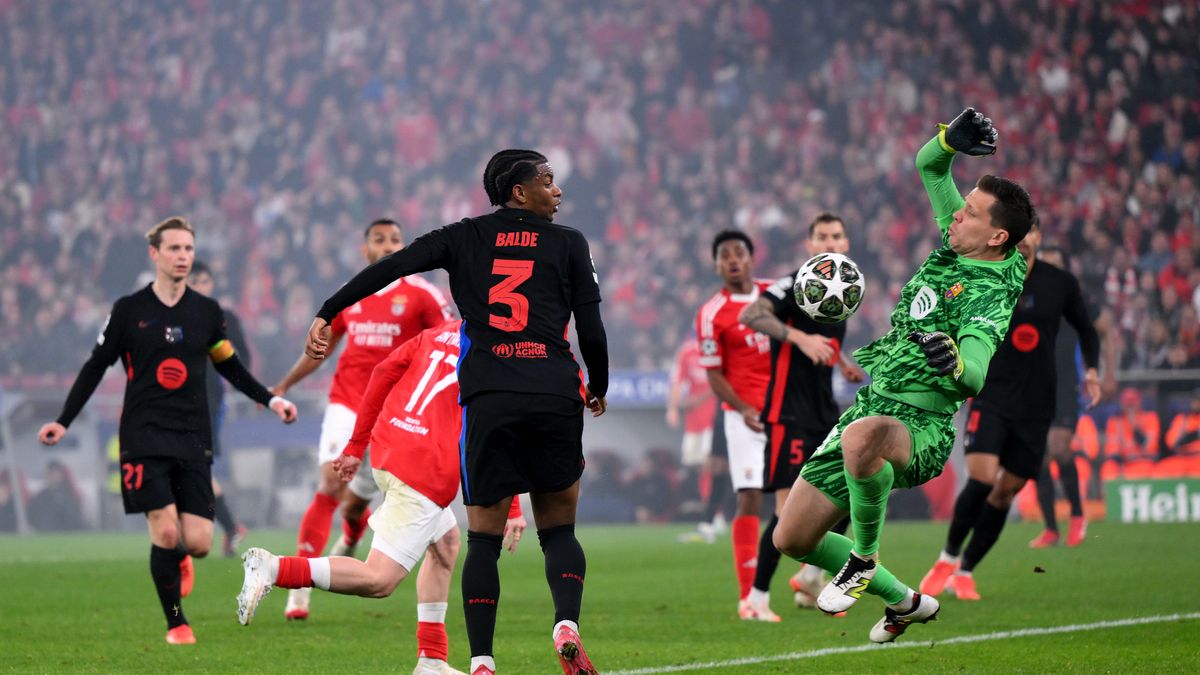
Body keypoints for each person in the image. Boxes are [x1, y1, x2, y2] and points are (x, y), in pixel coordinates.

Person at [305, 150, 608, 675]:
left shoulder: (462, 235)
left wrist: (328, 310)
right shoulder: (569, 242)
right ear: (519, 191)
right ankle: (565, 623)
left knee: (483, 542)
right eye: (548, 181)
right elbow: (591, 328)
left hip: (489, 399)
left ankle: (482, 662)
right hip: (554, 393)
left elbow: (390, 268)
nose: (557, 191)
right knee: (558, 532)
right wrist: (598, 386)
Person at [772, 107, 1034, 643]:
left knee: (865, 440)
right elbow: (931, 169)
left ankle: (864, 559)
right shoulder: (959, 242)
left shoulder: (988, 294)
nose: (957, 214)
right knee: (791, 538)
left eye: (973, 212)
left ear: (997, 238)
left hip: (923, 427)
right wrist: (948, 143)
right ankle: (908, 602)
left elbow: (976, 373)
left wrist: (956, 363)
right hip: (873, 402)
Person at [37, 216, 297, 645]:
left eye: (188, 249)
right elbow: (95, 366)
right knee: (166, 531)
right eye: (174, 249)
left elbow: (228, 364)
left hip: (192, 436)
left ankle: (180, 558)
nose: (182, 256)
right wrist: (63, 420)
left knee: (197, 542)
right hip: (143, 435)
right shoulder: (129, 311)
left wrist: (270, 399)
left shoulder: (207, 313)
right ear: (154, 254)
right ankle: (177, 622)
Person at [238, 321, 525, 675]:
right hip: (425, 467)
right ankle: (274, 568)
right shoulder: (501, 353)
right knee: (379, 580)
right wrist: (511, 506)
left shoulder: (440, 332)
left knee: (446, 544)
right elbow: (502, 432)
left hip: (390, 447)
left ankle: (431, 659)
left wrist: (358, 445)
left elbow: (383, 371)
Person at [271, 218, 451, 620]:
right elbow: (320, 349)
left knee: (356, 505)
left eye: (396, 240)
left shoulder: (422, 295)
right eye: (379, 240)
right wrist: (283, 384)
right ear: (364, 249)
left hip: (397, 413)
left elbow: (450, 344)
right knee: (331, 482)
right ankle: (298, 592)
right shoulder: (350, 297)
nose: (388, 246)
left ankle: (352, 529)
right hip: (347, 403)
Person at [918, 216, 1102, 602]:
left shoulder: (1060, 284)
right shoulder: (985, 276)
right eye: (1018, 234)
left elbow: (1087, 328)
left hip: (1038, 403)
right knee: (982, 477)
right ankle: (946, 557)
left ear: (1038, 236)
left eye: (1032, 232)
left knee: (1006, 492)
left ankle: (966, 571)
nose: (1025, 240)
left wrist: (1093, 371)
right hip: (992, 394)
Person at [738, 212, 864, 616]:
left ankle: (810, 578)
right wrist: (799, 337)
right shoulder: (793, 283)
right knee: (785, 512)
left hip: (824, 410)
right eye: (821, 236)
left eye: (837, 236)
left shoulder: (844, 287)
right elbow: (751, 315)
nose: (829, 242)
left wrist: (840, 360)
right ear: (808, 245)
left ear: (846, 244)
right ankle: (756, 598)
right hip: (787, 412)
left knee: (848, 495)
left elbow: (824, 339)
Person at [694, 229, 775, 621]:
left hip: (785, 412)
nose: (732, 260)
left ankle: (811, 578)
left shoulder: (776, 295)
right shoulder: (712, 314)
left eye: (738, 252)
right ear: (716, 265)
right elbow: (714, 376)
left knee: (809, 493)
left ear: (751, 257)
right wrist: (743, 407)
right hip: (743, 416)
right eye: (723, 255)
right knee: (751, 495)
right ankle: (749, 597)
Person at [1029, 246, 1117, 549]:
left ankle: (1078, 515)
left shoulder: (1075, 298)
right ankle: (1052, 529)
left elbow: (1107, 330)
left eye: (1056, 266)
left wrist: (1107, 374)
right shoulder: (1028, 295)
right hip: (1034, 388)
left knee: (1059, 447)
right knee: (1039, 458)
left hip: (1066, 386)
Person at [187, 260, 251, 556]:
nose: (200, 286)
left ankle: (222, 527)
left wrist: (251, 391)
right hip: (174, 399)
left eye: (204, 281)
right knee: (191, 467)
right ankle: (226, 527)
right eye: (194, 280)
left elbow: (243, 358)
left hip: (207, 398)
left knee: (196, 465)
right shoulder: (174, 316)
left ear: (212, 284)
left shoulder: (223, 317)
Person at [665, 334, 718, 530]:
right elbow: (677, 381)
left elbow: (720, 379)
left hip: (713, 418)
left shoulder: (714, 347)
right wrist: (672, 409)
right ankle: (710, 511)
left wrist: (699, 399)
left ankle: (714, 514)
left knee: (710, 465)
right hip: (693, 421)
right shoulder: (686, 352)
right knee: (698, 466)